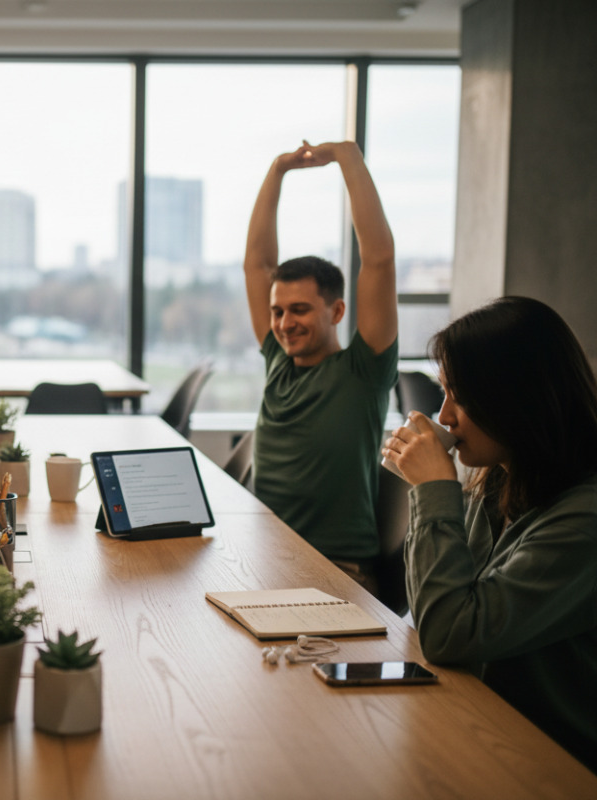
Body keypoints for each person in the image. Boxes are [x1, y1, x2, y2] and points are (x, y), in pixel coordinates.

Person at [383, 296, 597, 771]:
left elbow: (451, 633)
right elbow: (435, 612)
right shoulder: (505, 475)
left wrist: (435, 491)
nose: (443, 416)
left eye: (459, 395)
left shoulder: (586, 522)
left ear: (516, 398)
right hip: (487, 720)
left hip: (555, 762)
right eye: (444, 392)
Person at [242, 140, 399, 592]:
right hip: (264, 553)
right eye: (278, 311)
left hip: (337, 570)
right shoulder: (278, 358)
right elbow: (257, 265)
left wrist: (348, 158)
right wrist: (277, 171)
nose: (285, 324)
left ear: (336, 311)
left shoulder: (364, 371)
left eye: (300, 310)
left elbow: (379, 259)